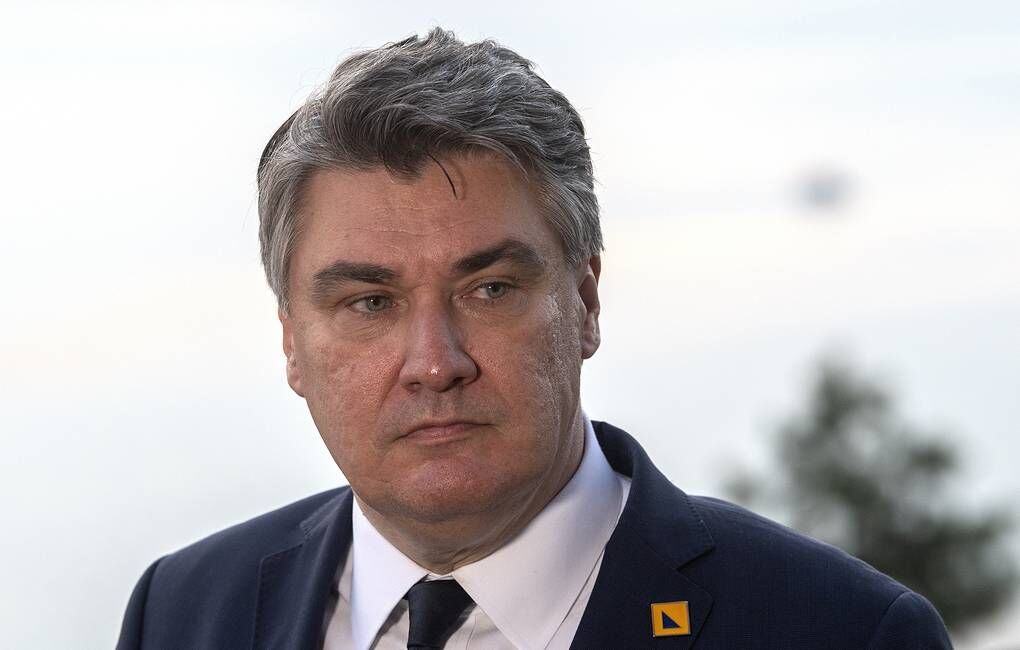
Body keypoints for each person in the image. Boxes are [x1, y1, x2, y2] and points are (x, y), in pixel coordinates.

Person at [117, 28, 951, 649]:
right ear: (292, 344)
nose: (435, 363)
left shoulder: (842, 631)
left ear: (584, 302)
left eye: (490, 289)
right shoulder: (182, 614)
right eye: (370, 303)